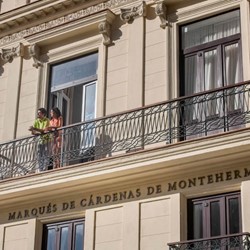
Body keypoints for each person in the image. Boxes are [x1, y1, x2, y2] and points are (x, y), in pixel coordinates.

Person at [28, 108, 50, 172]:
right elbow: (33, 132)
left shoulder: (47, 120)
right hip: (39, 140)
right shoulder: (36, 121)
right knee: (39, 155)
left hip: (46, 140)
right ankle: (41, 169)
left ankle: (44, 169)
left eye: (39, 113)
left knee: (45, 154)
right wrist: (33, 130)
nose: (38, 114)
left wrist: (34, 129)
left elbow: (44, 130)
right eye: (38, 113)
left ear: (43, 114)